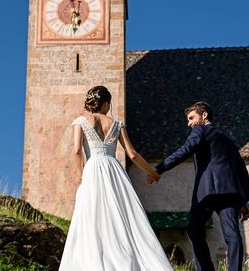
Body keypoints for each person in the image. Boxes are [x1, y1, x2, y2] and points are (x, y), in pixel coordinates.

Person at [58, 85, 174, 271]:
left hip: (93, 169)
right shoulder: (117, 124)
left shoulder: (80, 121)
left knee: (92, 214)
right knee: (123, 216)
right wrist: (152, 172)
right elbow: (133, 154)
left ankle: (95, 260)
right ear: (105, 103)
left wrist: (80, 173)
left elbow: (77, 150)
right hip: (114, 170)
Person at [148, 101, 249, 271]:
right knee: (233, 235)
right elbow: (242, 169)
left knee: (194, 230)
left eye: (191, 118)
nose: (189, 123)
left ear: (204, 115)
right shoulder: (228, 140)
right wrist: (246, 200)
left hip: (208, 192)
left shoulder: (201, 130)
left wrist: (159, 169)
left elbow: (185, 149)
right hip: (230, 193)